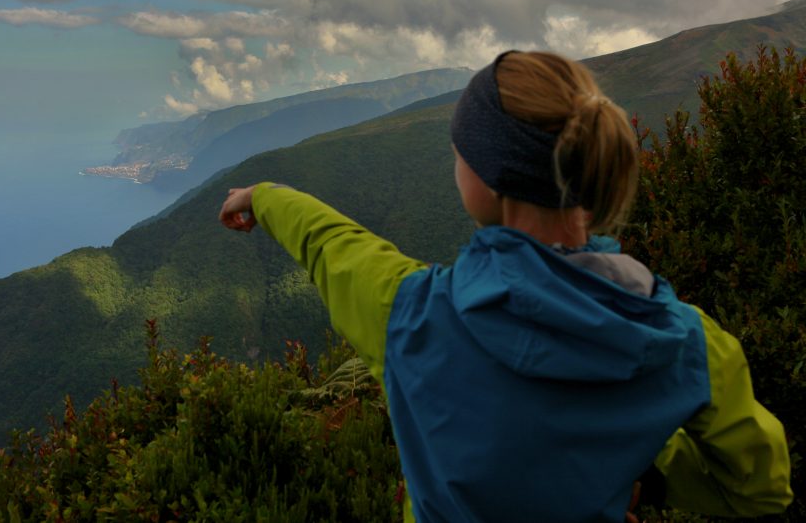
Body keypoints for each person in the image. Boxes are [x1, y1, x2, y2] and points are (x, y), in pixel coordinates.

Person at [219, 51, 793, 522]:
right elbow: (759, 489)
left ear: (491, 180)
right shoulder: (684, 345)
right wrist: (633, 463)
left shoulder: (412, 316)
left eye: (459, 151)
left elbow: (333, 248)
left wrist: (262, 197)